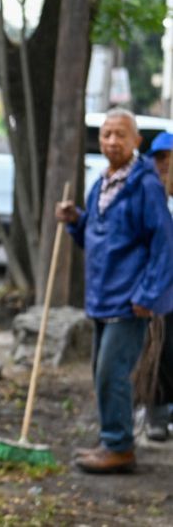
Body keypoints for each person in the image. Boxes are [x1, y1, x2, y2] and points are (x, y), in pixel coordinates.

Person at [56, 108, 173, 473]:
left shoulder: (146, 185)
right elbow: (98, 234)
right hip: (101, 296)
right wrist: (76, 220)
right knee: (100, 370)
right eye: (106, 134)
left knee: (112, 372)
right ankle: (112, 439)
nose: (111, 141)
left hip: (129, 300)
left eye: (120, 134)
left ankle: (120, 447)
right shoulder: (102, 183)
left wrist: (149, 294)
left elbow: (164, 243)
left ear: (136, 141)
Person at [142, 131, 173, 441]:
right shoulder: (151, 197)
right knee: (160, 351)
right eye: (159, 158)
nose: (164, 165)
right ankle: (157, 413)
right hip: (161, 291)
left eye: (168, 158)